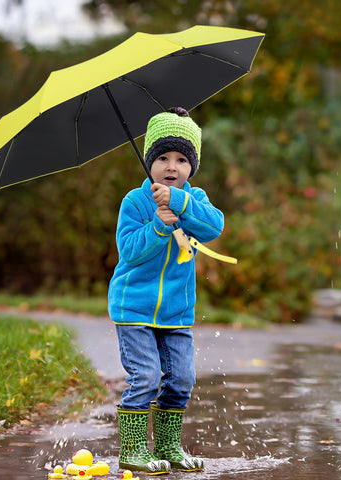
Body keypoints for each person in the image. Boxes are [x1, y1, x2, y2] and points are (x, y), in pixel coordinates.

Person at [108, 107, 224, 474]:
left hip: (176, 311)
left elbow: (214, 227)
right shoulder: (136, 202)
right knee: (145, 375)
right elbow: (129, 251)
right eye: (162, 157)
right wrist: (158, 226)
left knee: (182, 378)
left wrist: (179, 203)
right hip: (135, 308)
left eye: (181, 159)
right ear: (149, 161)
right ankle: (133, 449)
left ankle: (171, 445)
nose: (171, 167)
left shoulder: (194, 199)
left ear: (192, 167)